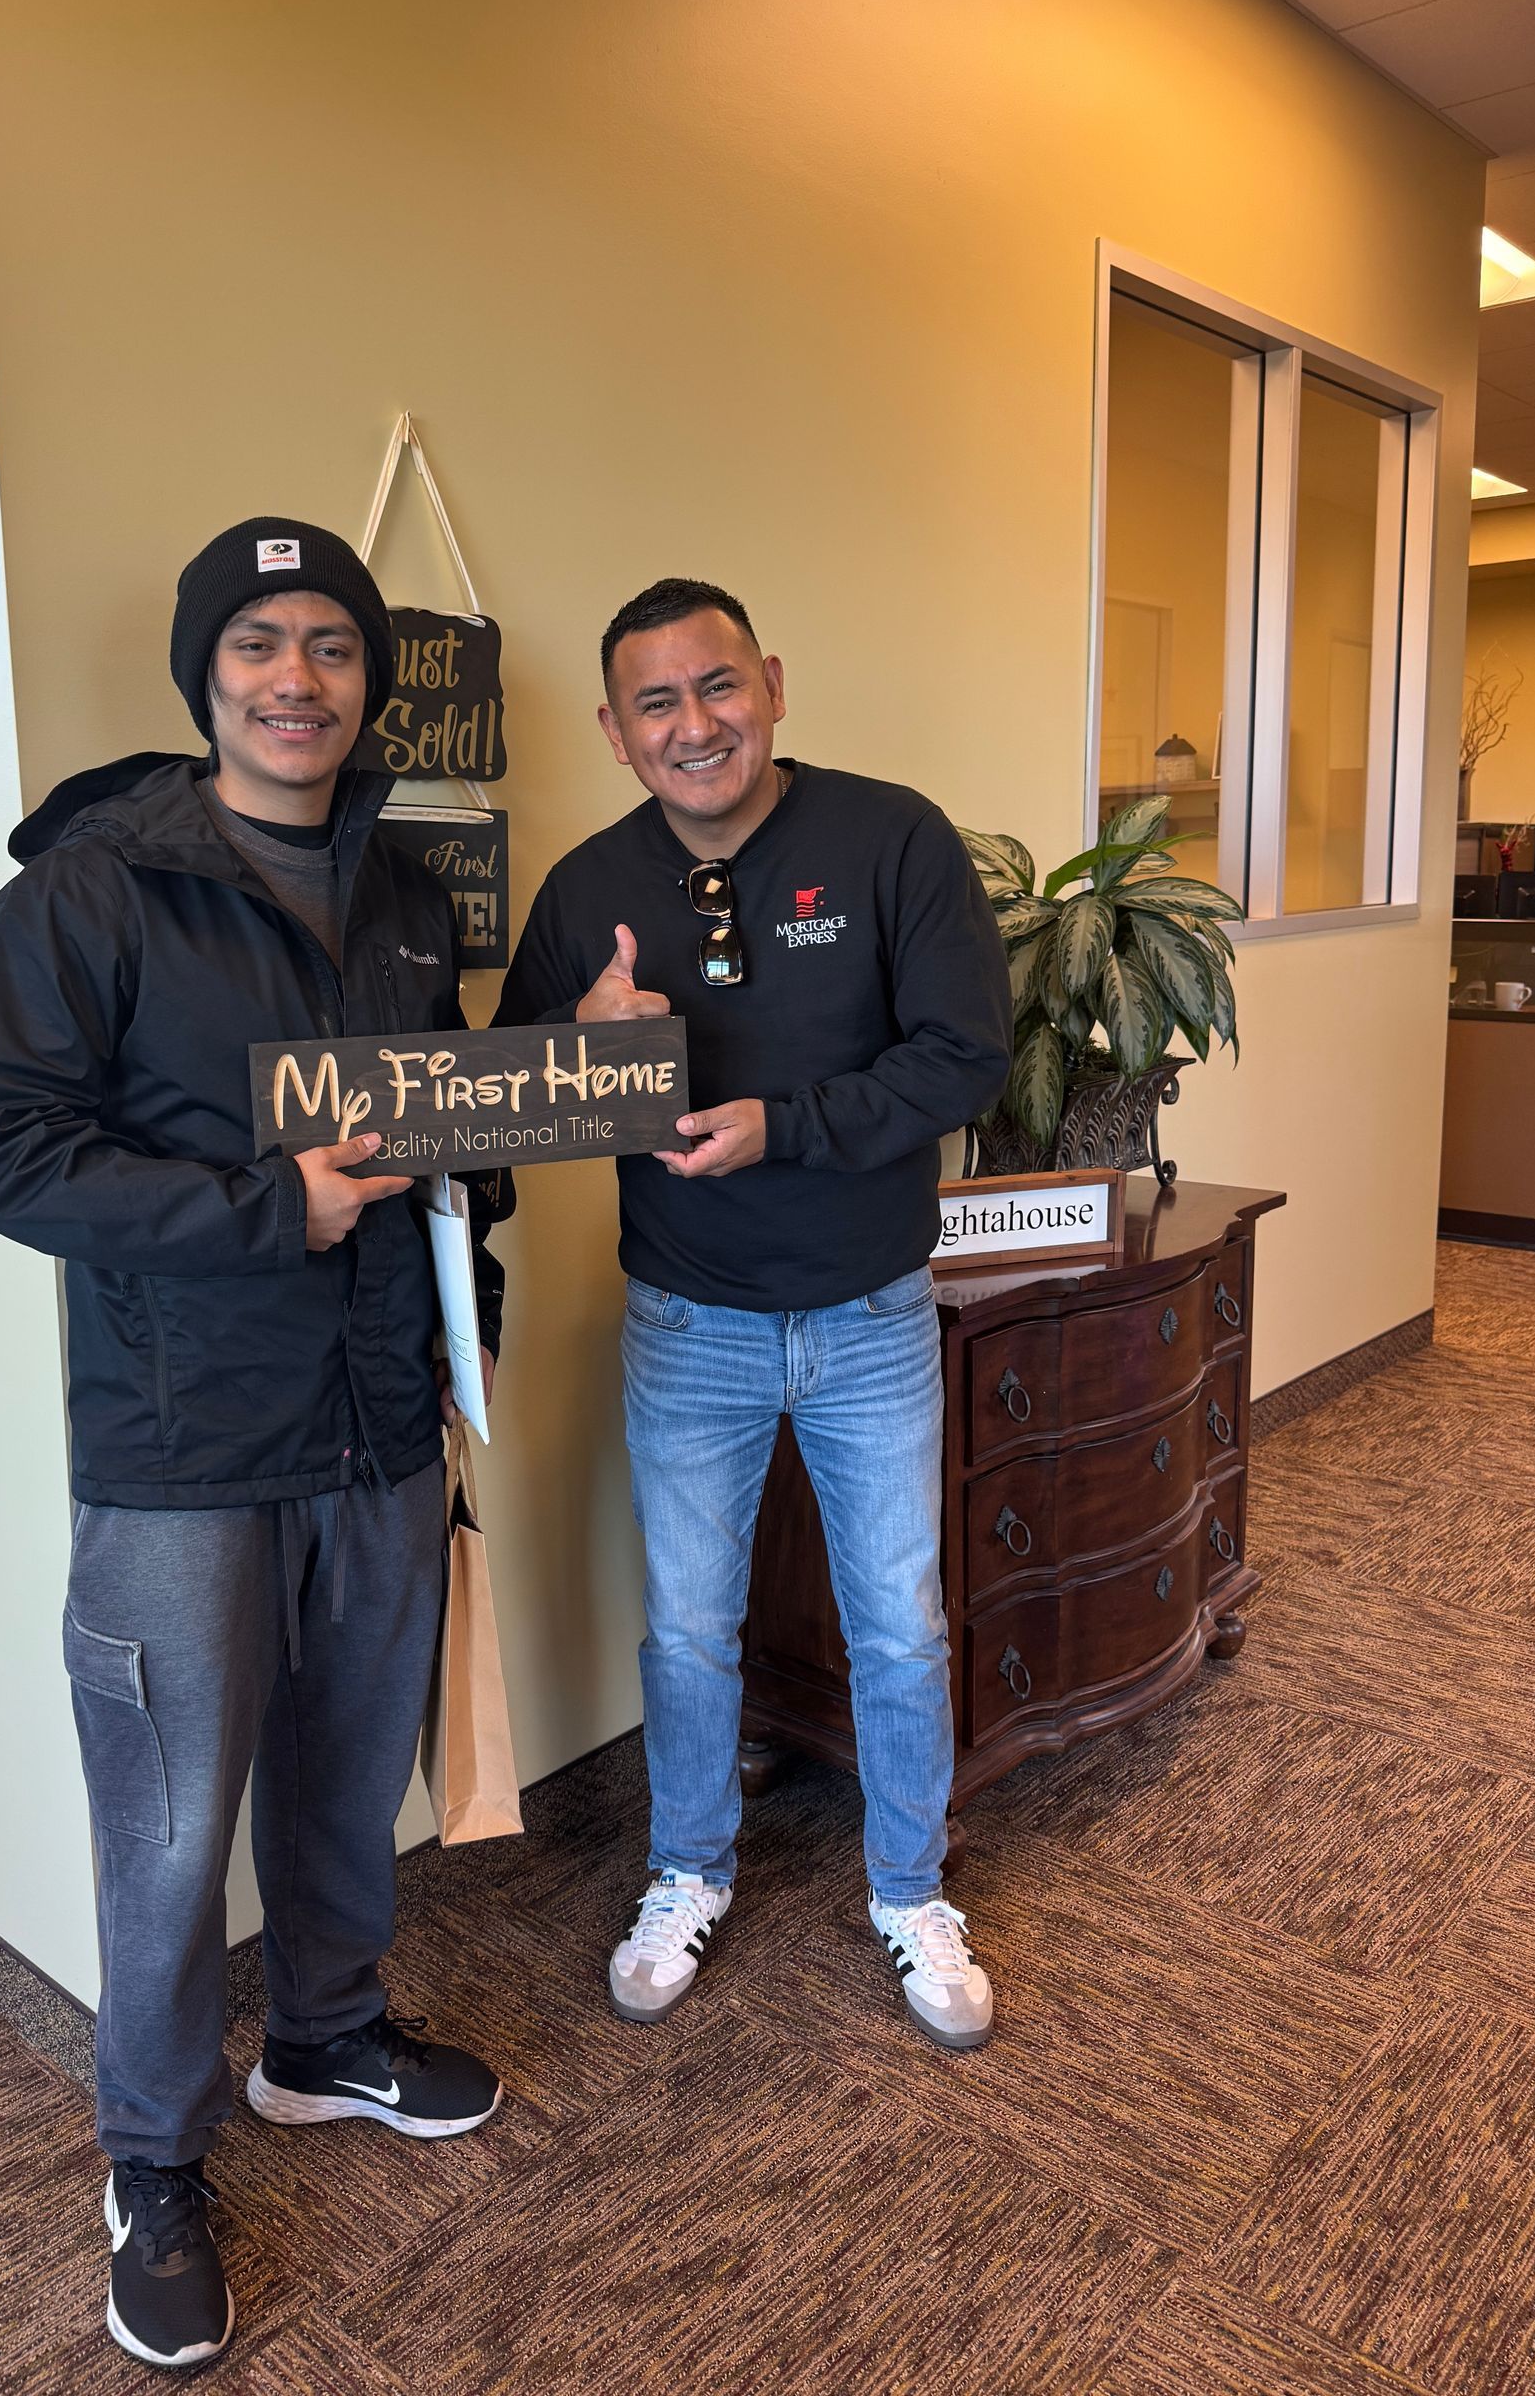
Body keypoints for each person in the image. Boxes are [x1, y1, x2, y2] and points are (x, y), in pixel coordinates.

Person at [0, 517, 505, 2373]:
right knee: (172, 1836)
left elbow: (436, 1138)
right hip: (181, 1449)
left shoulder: (405, 891)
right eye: (258, 643)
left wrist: (560, 1085)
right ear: (206, 675)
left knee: (345, 1778)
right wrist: (276, 1210)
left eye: (332, 645)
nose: (295, 680)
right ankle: (154, 2159)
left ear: (367, 683)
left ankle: (324, 2039)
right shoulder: (89, 892)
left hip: (377, 1427)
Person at [496, 576, 1011, 2051]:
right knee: (687, 1630)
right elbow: (502, 1094)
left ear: (772, 685)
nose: (695, 724)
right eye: (655, 702)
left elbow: (965, 1056)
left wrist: (784, 1128)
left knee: (898, 1627)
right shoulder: (585, 889)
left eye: (718, 686)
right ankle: (688, 1871)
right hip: (686, 1324)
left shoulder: (891, 837)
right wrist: (572, 1042)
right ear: (615, 732)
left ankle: (911, 1889)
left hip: (871, 1314)